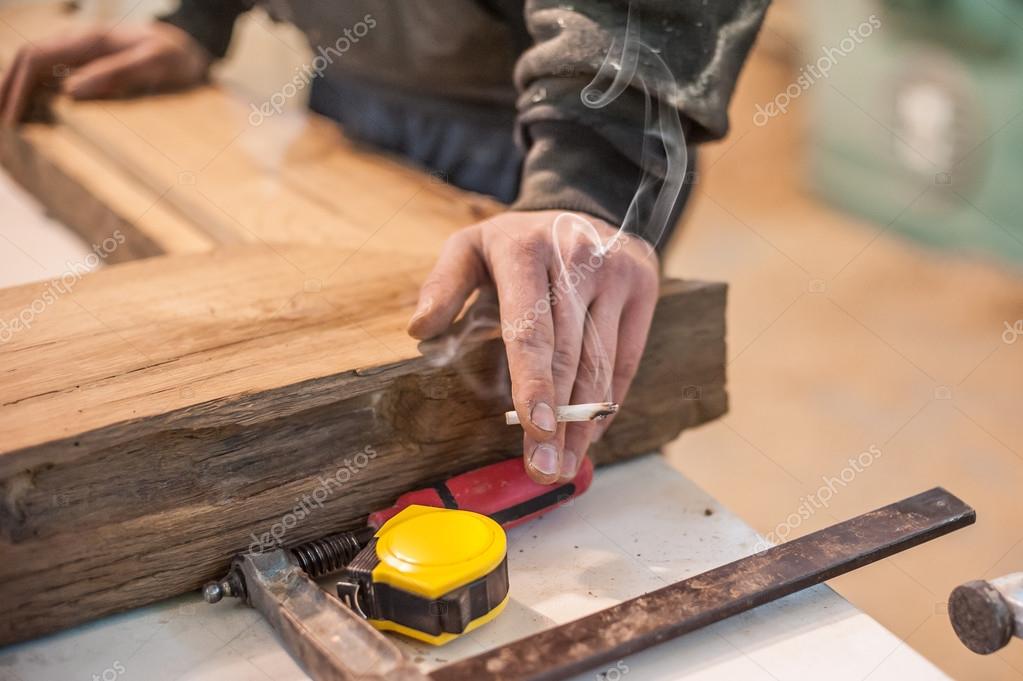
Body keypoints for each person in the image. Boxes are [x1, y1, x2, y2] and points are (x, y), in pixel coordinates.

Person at [0, 1, 769, 485]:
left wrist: (586, 178)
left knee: (542, 422)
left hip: (544, 135)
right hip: (347, 100)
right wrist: (195, 21)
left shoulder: (580, 155)